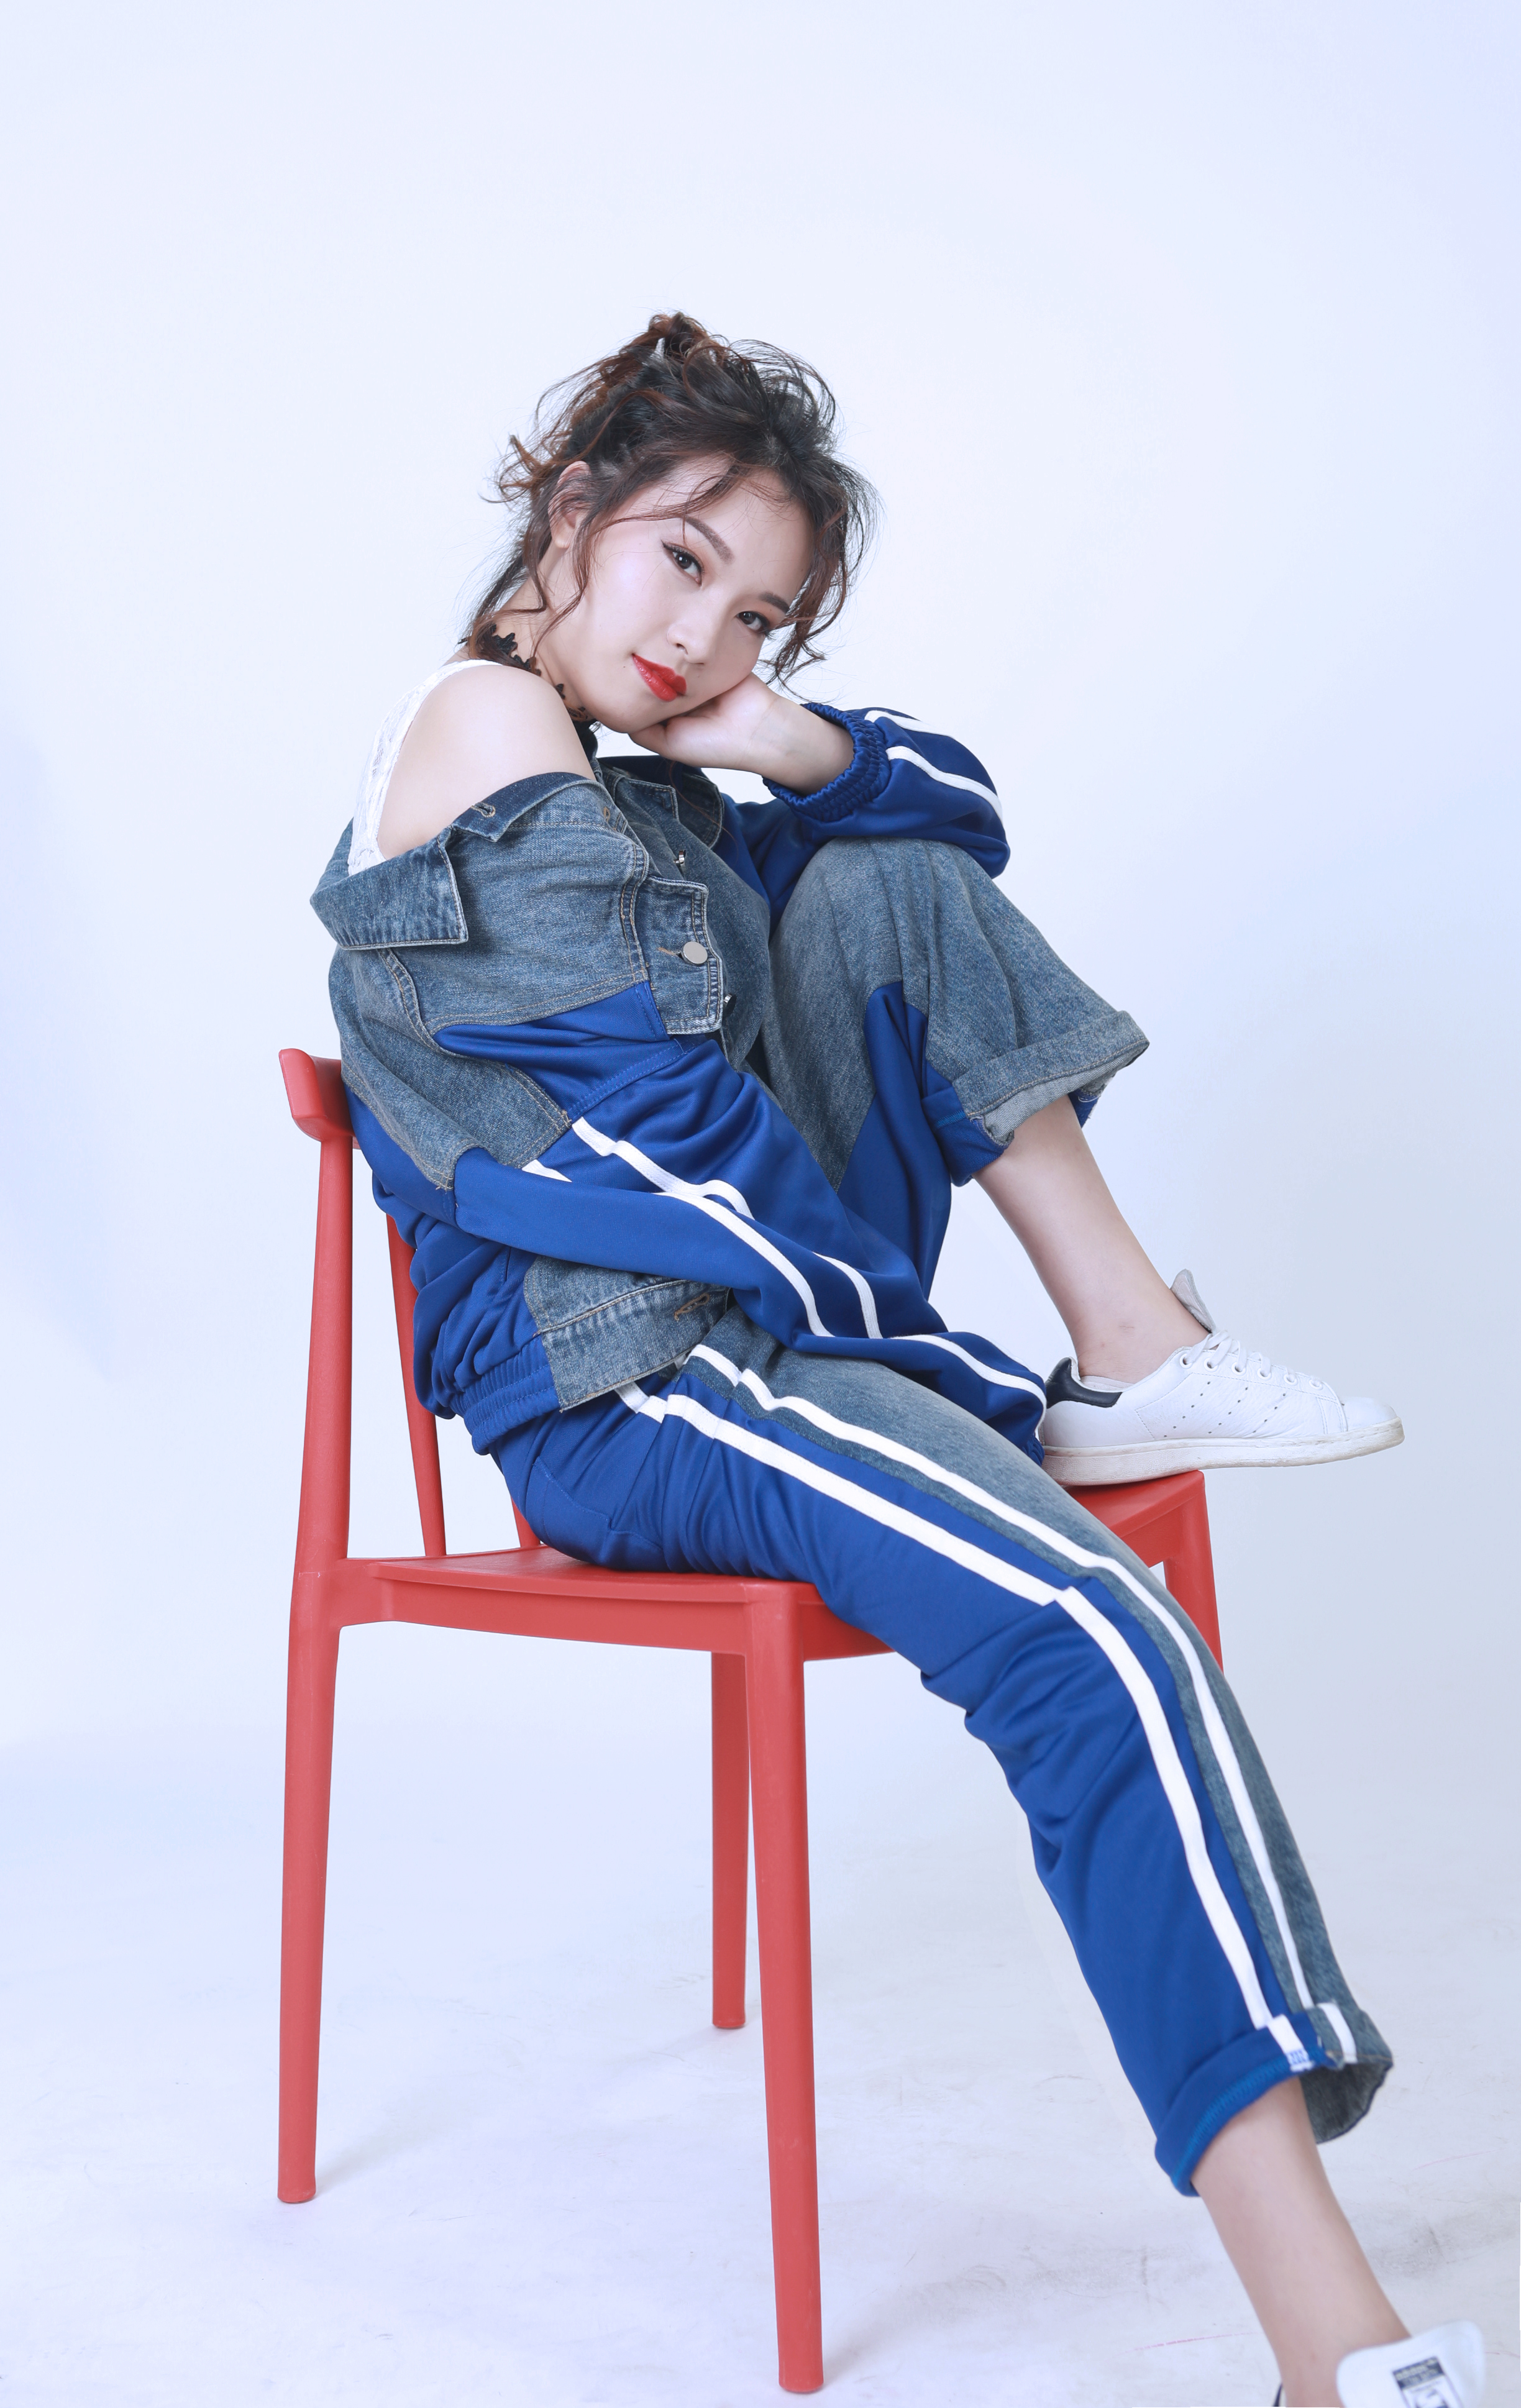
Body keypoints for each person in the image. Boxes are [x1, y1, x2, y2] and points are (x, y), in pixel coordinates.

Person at [310, 315, 1481, 2407]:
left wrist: (787, 738)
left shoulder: (646, 782)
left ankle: (1135, 1344)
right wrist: (962, 1383)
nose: (701, 637)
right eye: (681, 560)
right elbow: (666, 1158)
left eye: (758, 614)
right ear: (568, 514)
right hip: (627, 1377)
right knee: (1088, 1628)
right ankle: (1343, 2354)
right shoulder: (487, 725)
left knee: (894, 877)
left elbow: (958, 833)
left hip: (757, 1331)